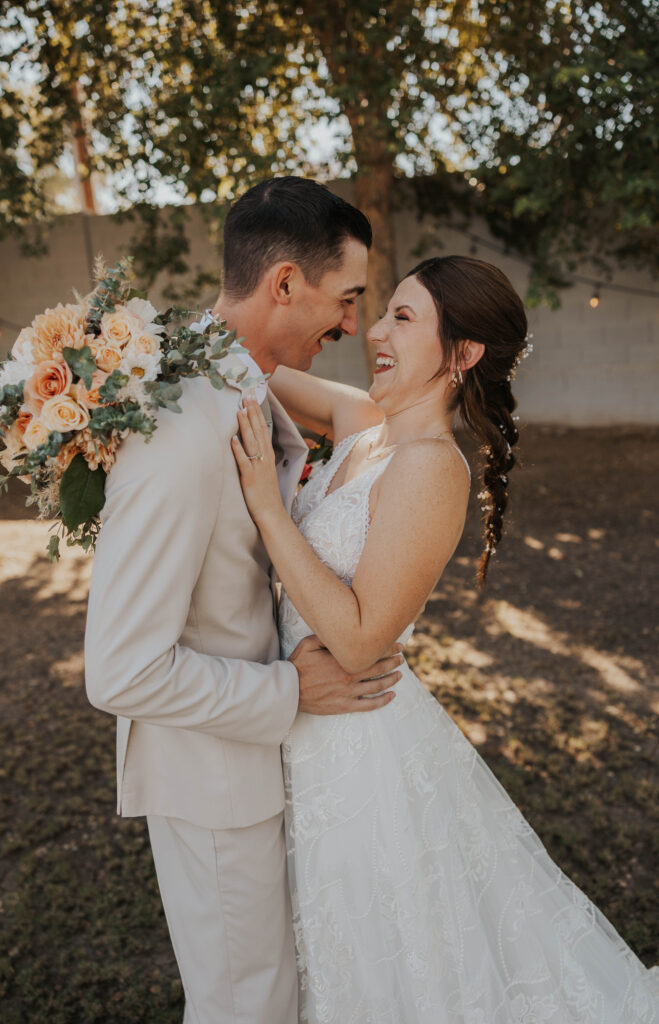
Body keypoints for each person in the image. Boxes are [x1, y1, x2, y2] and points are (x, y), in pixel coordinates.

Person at [233, 255, 659, 1023]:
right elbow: (244, 373)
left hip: (362, 752)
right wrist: (131, 351)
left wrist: (269, 509)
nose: (374, 334)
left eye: (403, 317)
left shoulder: (432, 468)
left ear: (462, 354)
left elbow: (363, 639)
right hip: (303, 730)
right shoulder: (365, 425)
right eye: (382, 312)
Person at [84, 177, 405, 1024]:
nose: (349, 324)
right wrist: (291, 692)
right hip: (212, 785)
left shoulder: (229, 380)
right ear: (285, 284)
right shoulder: (183, 431)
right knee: (246, 1008)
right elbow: (120, 670)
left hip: (253, 768)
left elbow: (362, 418)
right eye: (345, 300)